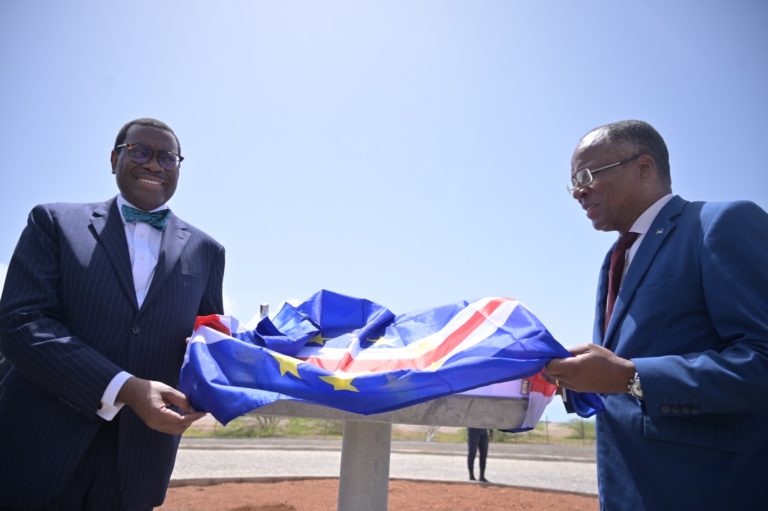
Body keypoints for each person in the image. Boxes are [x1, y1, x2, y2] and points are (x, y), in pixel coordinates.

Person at [0, 118, 225, 510]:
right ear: (114, 158)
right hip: (38, 449)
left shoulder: (208, 251)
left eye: (168, 158)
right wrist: (124, 388)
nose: (155, 165)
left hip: (138, 464)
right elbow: (20, 323)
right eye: (140, 151)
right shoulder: (52, 223)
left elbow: (206, 341)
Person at [545, 120, 768, 510]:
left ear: (643, 167)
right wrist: (577, 380)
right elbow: (623, 374)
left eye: (586, 175)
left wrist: (631, 376)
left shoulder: (719, 225)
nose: (578, 191)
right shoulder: (614, 260)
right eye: (572, 183)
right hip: (629, 491)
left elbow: (761, 358)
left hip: (705, 492)